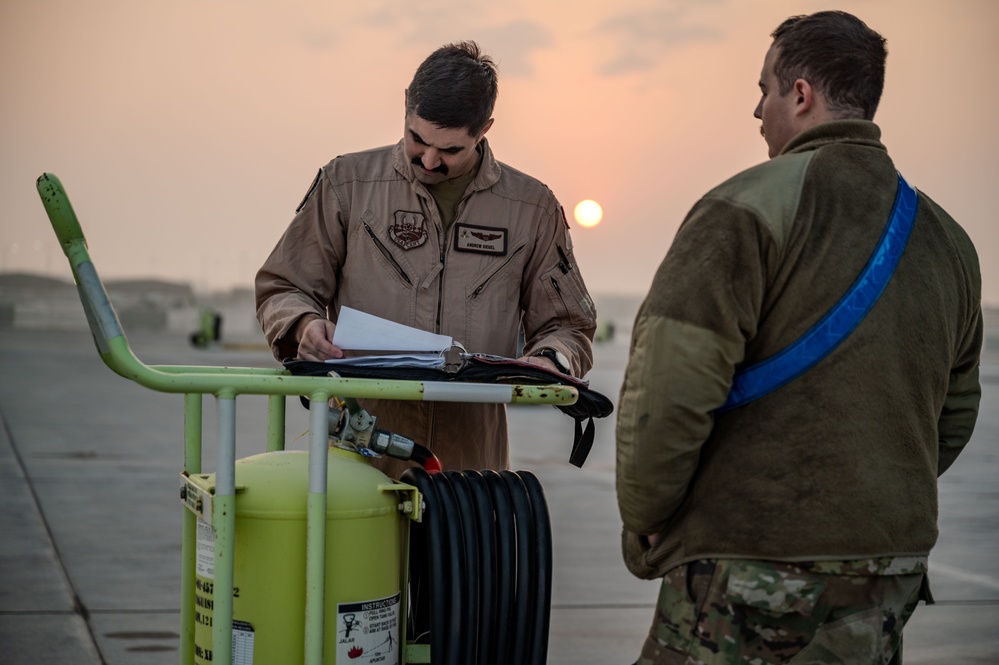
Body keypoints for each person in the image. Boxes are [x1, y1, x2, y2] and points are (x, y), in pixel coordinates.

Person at [615, 11, 982, 665]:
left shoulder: (743, 207)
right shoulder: (948, 239)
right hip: (886, 568)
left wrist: (646, 512)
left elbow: (668, 388)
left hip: (749, 564)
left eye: (763, 89)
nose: (757, 110)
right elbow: (951, 416)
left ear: (801, 94)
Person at [256, 41, 596, 479]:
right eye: (418, 139)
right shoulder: (347, 184)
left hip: (473, 463)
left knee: (462, 550)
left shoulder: (532, 208)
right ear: (406, 108)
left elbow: (569, 323)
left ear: (484, 129)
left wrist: (551, 359)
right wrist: (303, 325)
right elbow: (284, 286)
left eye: (450, 150)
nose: (429, 160)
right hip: (359, 451)